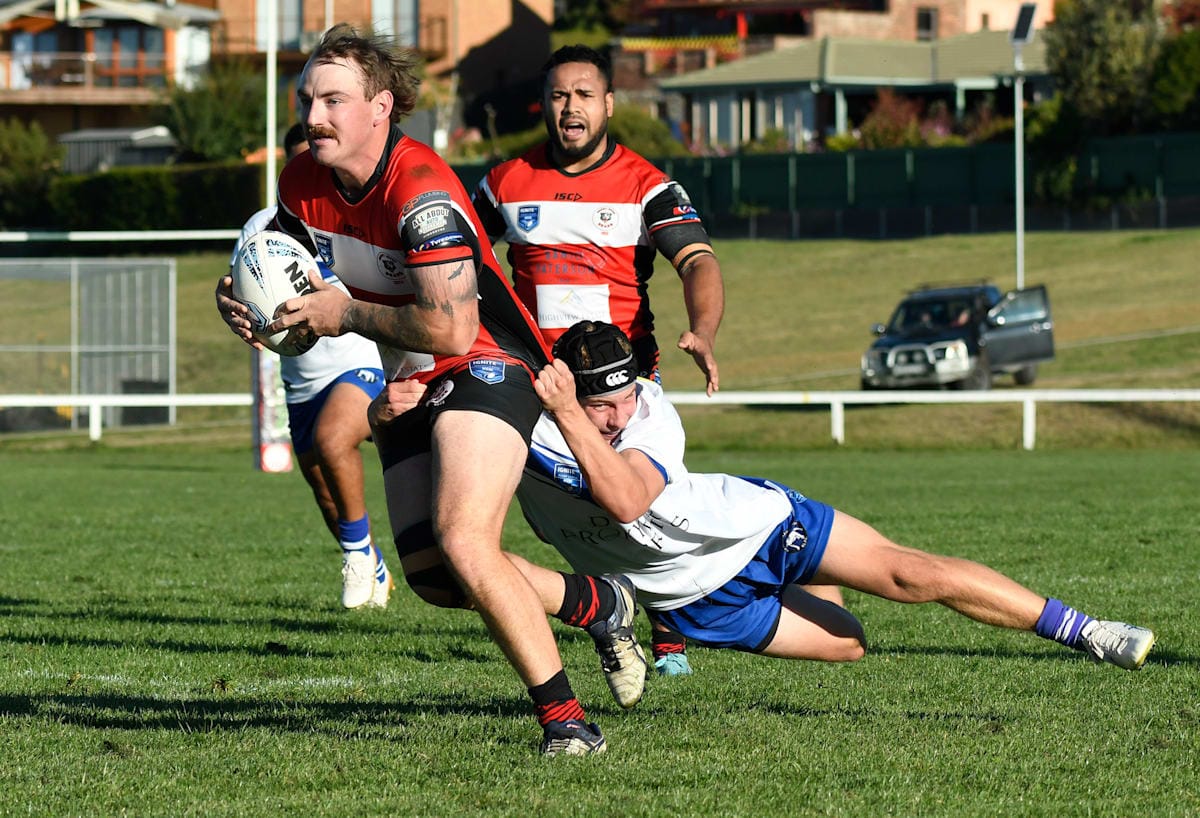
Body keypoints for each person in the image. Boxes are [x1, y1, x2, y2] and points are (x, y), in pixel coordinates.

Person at [213, 25, 643, 756]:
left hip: (489, 361)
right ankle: (595, 601)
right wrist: (237, 299)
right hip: (410, 374)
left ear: (381, 107)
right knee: (437, 577)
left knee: (465, 540)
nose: (313, 116)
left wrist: (344, 314)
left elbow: (451, 328)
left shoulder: (422, 191)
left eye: (333, 101)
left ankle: (568, 724)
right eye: (307, 99)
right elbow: (276, 267)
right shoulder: (301, 181)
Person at [515, 320, 1157, 674]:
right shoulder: (523, 433)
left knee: (906, 574)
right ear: (564, 391)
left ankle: (1089, 632)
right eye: (602, 406)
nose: (619, 417)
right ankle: (813, 575)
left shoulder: (651, 415)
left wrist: (576, 413)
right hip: (694, 603)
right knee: (849, 643)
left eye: (626, 397)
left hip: (756, 528)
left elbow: (626, 499)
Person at [471, 43, 728, 675]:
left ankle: (666, 622)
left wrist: (703, 329)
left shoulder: (647, 185)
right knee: (555, 513)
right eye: (559, 95)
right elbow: (459, 259)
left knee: (639, 503)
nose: (571, 108)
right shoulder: (504, 182)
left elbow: (698, 261)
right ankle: (602, 604)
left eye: (584, 95)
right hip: (540, 382)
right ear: (543, 105)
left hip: (621, 384)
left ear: (609, 103)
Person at [219, 123, 393, 610]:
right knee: (325, 491)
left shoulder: (352, 213)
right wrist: (228, 305)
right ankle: (372, 563)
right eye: (300, 160)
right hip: (301, 379)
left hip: (362, 360)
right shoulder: (261, 227)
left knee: (333, 439)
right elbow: (237, 291)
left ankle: (357, 557)